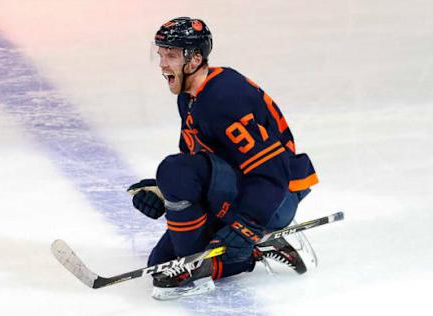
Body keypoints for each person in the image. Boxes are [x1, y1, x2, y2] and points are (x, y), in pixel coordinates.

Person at [127, 17, 319, 300]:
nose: (163, 64)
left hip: (274, 197)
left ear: (194, 59)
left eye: (171, 55)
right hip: (243, 190)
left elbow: (270, 171)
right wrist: (161, 190)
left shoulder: (225, 97)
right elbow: (200, 163)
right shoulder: (189, 96)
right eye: (161, 54)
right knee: (161, 265)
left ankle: (253, 236)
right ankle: (253, 251)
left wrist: (248, 226)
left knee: (174, 171)